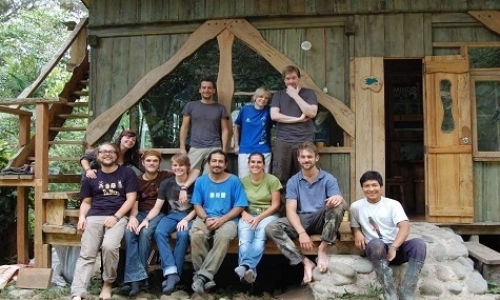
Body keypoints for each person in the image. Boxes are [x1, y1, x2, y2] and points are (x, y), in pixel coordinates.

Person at [265, 142, 346, 284]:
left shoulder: (328, 179)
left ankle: (323, 249)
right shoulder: (293, 181)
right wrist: (302, 233)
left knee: (337, 207)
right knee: (271, 228)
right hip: (301, 219)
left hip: (321, 219)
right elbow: (290, 210)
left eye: (309, 156)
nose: (306, 160)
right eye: (303, 157)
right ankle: (305, 262)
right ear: (298, 159)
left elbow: (343, 205)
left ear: (317, 158)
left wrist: (339, 199)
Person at [121, 150, 199, 296]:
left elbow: (194, 171)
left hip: (173, 215)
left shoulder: (167, 175)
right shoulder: (141, 180)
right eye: (148, 161)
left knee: (150, 233)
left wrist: (184, 187)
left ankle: (154, 277)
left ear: (159, 163)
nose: (151, 163)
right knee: (131, 232)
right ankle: (134, 278)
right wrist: (137, 218)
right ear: (142, 163)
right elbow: (137, 203)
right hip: (144, 213)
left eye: (155, 161)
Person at [70, 142, 140, 300]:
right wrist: (82, 217)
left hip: (118, 216)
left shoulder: (127, 173)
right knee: (87, 253)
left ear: (116, 155)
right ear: (98, 156)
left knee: (109, 247)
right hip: (94, 216)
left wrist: (116, 217)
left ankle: (107, 284)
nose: (107, 154)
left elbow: (131, 199)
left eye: (111, 152)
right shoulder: (92, 177)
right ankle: (78, 292)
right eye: (103, 152)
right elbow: (87, 202)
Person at [350, 171, 426, 300]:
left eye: (374, 185)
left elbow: (405, 226)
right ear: (362, 188)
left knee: (419, 244)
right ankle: (389, 292)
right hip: (376, 250)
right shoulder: (356, 207)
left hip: (395, 249)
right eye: (366, 186)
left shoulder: (393, 204)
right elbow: (354, 225)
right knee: (376, 244)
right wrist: (357, 232)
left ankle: (407, 292)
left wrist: (394, 247)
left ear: (381, 186)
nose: (371, 189)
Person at [189, 150, 248, 294]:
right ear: (209, 163)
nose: (217, 164)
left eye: (220, 161)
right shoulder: (201, 181)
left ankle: (201, 276)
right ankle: (205, 279)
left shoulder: (234, 180)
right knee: (196, 234)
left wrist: (222, 219)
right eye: (214, 161)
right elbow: (197, 204)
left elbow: (240, 206)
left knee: (223, 236)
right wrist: (205, 218)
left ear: (225, 164)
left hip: (228, 219)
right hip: (206, 217)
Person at [154, 153, 198, 294]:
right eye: (175, 165)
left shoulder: (195, 183)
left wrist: (186, 219)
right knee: (159, 232)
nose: (178, 168)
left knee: (183, 234)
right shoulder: (167, 183)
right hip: (172, 216)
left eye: (181, 165)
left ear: (187, 167)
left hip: (190, 216)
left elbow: (199, 207)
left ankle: (174, 274)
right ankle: (172, 271)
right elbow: (157, 206)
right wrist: (146, 221)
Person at [234, 152, 281, 283]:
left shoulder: (272, 180)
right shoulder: (242, 182)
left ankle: (244, 266)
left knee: (260, 235)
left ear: (264, 165)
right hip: (247, 214)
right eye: (253, 162)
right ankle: (250, 273)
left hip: (268, 215)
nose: (255, 164)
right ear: (248, 164)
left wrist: (259, 218)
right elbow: (238, 203)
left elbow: (276, 205)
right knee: (244, 238)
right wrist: (243, 214)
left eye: (259, 162)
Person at [270, 65, 318, 186]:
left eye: (293, 78)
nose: (291, 81)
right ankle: (282, 205)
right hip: (283, 140)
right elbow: (274, 116)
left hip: (304, 140)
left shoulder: (309, 93)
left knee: (306, 175)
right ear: (284, 80)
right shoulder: (278, 95)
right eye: (288, 78)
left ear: (298, 78)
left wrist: (295, 95)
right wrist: (298, 119)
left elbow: (311, 113)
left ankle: (305, 204)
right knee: (279, 177)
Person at [179, 79, 230, 173]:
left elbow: (225, 130)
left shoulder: (220, 108)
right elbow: (184, 127)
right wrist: (182, 148)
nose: (206, 90)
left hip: (214, 147)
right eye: (204, 88)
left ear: (214, 90)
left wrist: (224, 150)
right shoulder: (190, 106)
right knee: (188, 174)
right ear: (200, 90)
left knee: (211, 178)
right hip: (195, 146)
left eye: (209, 88)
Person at [233, 87, 274, 178]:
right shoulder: (245, 109)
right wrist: (236, 145)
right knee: (244, 179)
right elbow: (236, 126)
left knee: (263, 179)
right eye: (261, 96)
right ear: (255, 97)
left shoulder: (269, 111)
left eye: (266, 98)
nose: (263, 99)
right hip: (245, 149)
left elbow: (278, 124)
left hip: (264, 149)